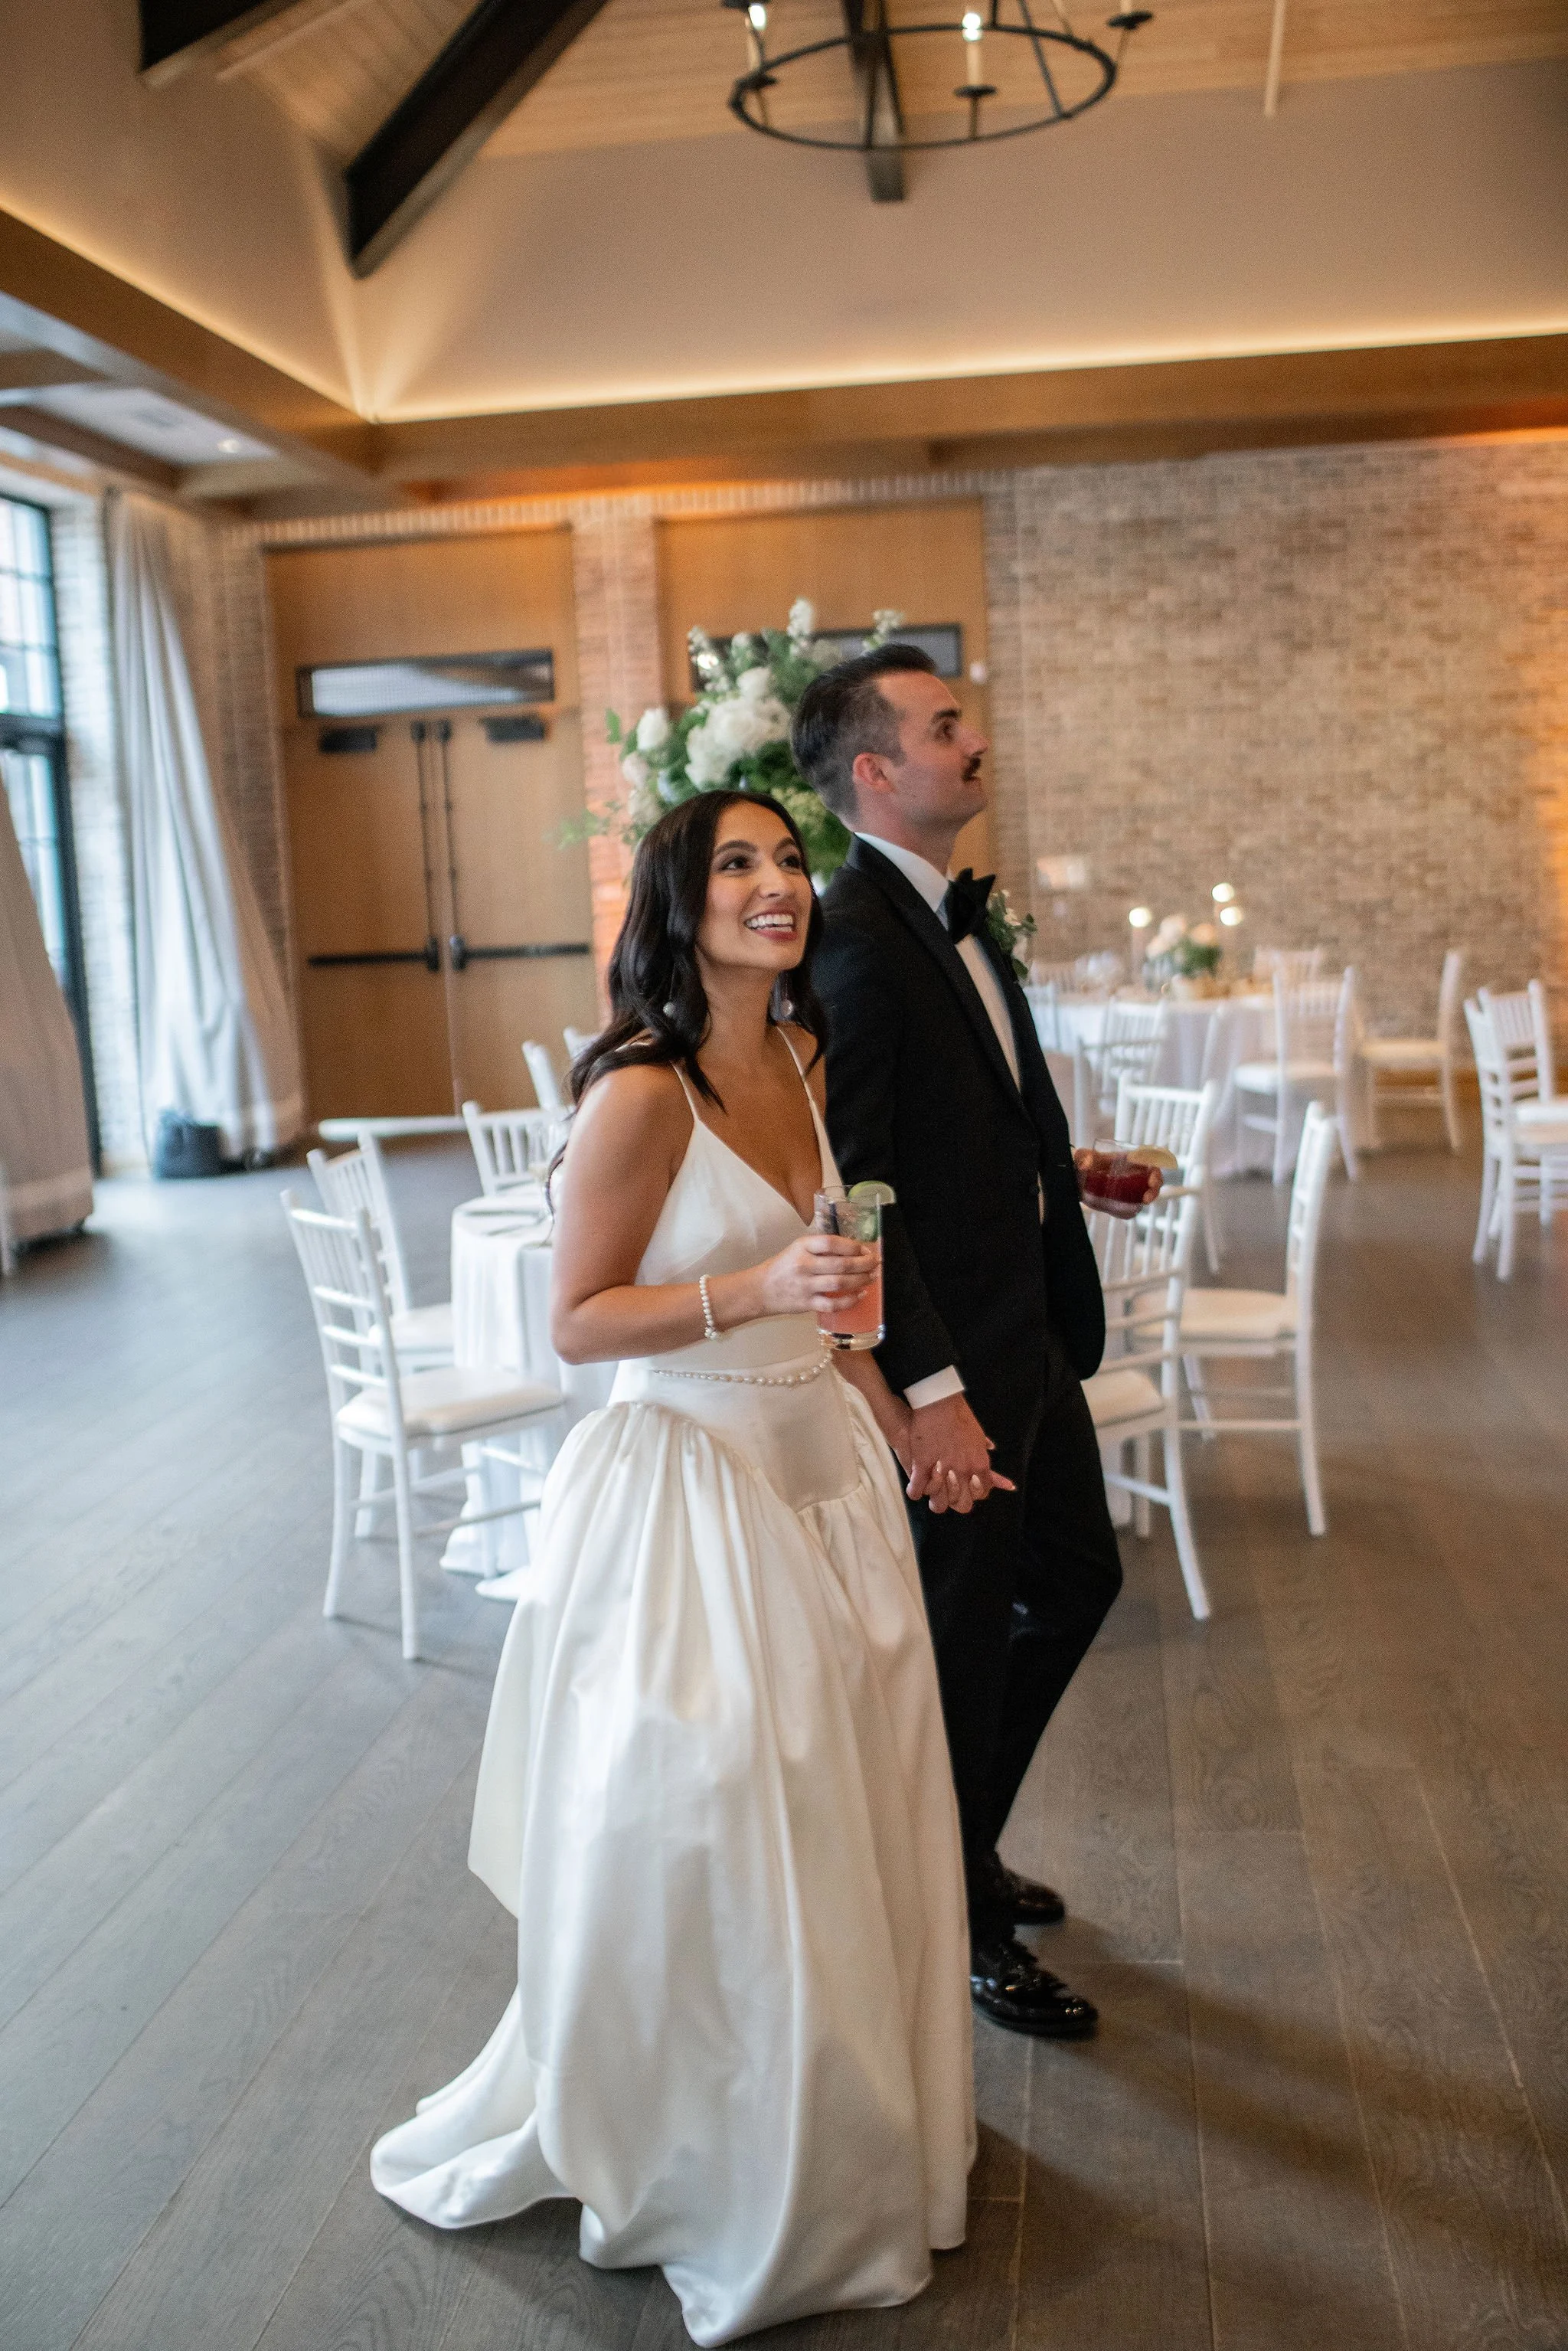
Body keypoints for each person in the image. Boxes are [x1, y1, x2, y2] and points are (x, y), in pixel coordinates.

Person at [371, 790, 982, 2346]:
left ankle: (849, 2127)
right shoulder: (642, 1092)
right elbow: (576, 1321)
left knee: (842, 1817)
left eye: (785, 860)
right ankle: (711, 2151)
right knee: (722, 1826)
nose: (775, 883)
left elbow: (827, 1285)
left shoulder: (798, 1051)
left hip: (821, 1479)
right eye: (737, 862)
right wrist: (751, 1284)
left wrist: (889, 1407)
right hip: (690, 1493)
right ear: (679, 899)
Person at [797, 645, 1140, 2041]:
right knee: (956, 1644)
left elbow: (981, 1114)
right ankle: (961, 1918)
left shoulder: (952, 913)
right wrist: (927, 1390)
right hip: (958, 1377)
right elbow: (860, 1191)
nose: (975, 737)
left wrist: (1071, 1171)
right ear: (877, 771)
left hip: (1029, 1334)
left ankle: (961, 1842)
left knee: (1074, 1582)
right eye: (947, 725)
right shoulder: (852, 936)